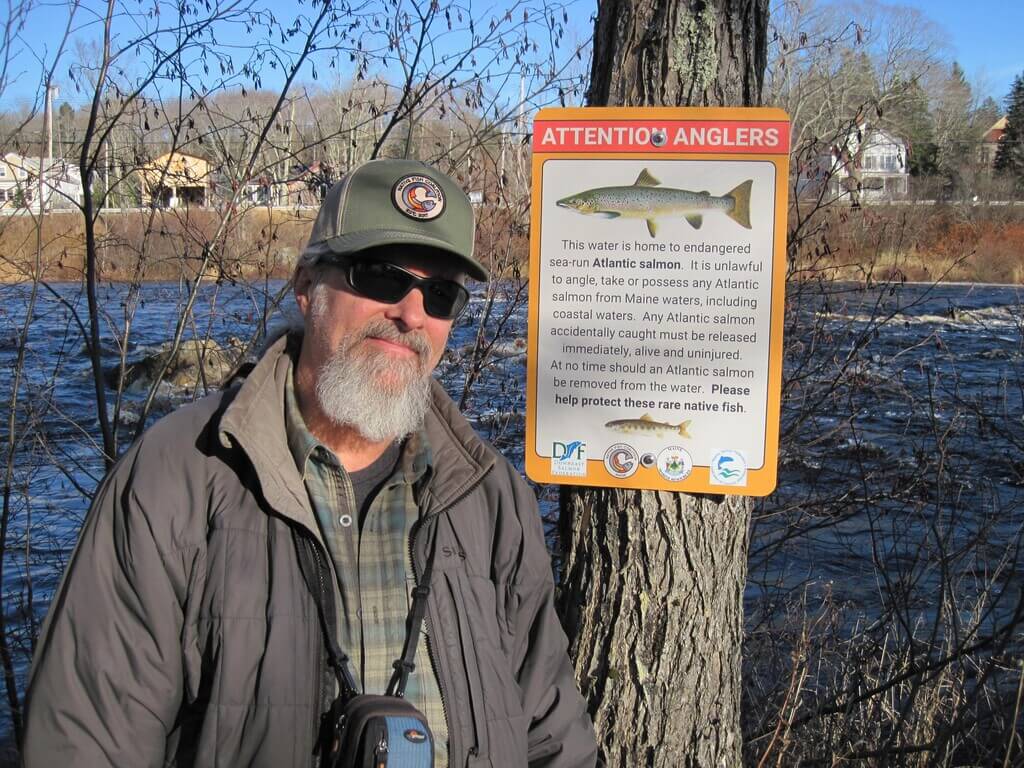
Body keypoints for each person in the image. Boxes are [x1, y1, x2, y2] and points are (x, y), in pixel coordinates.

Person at [23, 159, 598, 768]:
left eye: (441, 294)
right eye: (380, 276)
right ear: (306, 286)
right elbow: (85, 741)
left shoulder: (491, 497)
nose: (410, 314)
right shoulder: (175, 481)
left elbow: (552, 739)